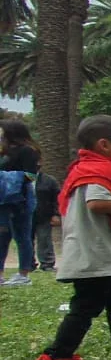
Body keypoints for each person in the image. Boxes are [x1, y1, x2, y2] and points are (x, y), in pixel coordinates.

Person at [33, 116, 111, 360]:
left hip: (95, 253)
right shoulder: (96, 171)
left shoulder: (95, 168)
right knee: (86, 306)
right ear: (104, 145)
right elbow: (96, 203)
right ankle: (55, 357)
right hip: (91, 254)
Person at [0, 119, 40, 286]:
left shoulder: (28, 151)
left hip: (21, 198)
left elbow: (31, 175)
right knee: (2, 236)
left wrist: (8, 178)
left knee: (22, 235)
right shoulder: (4, 152)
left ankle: (23, 273)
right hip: (3, 199)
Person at [32, 170, 60, 272]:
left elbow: (57, 198)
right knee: (26, 241)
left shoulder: (49, 180)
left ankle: (47, 264)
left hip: (44, 216)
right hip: (25, 216)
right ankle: (28, 264)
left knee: (44, 239)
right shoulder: (20, 179)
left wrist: (56, 214)